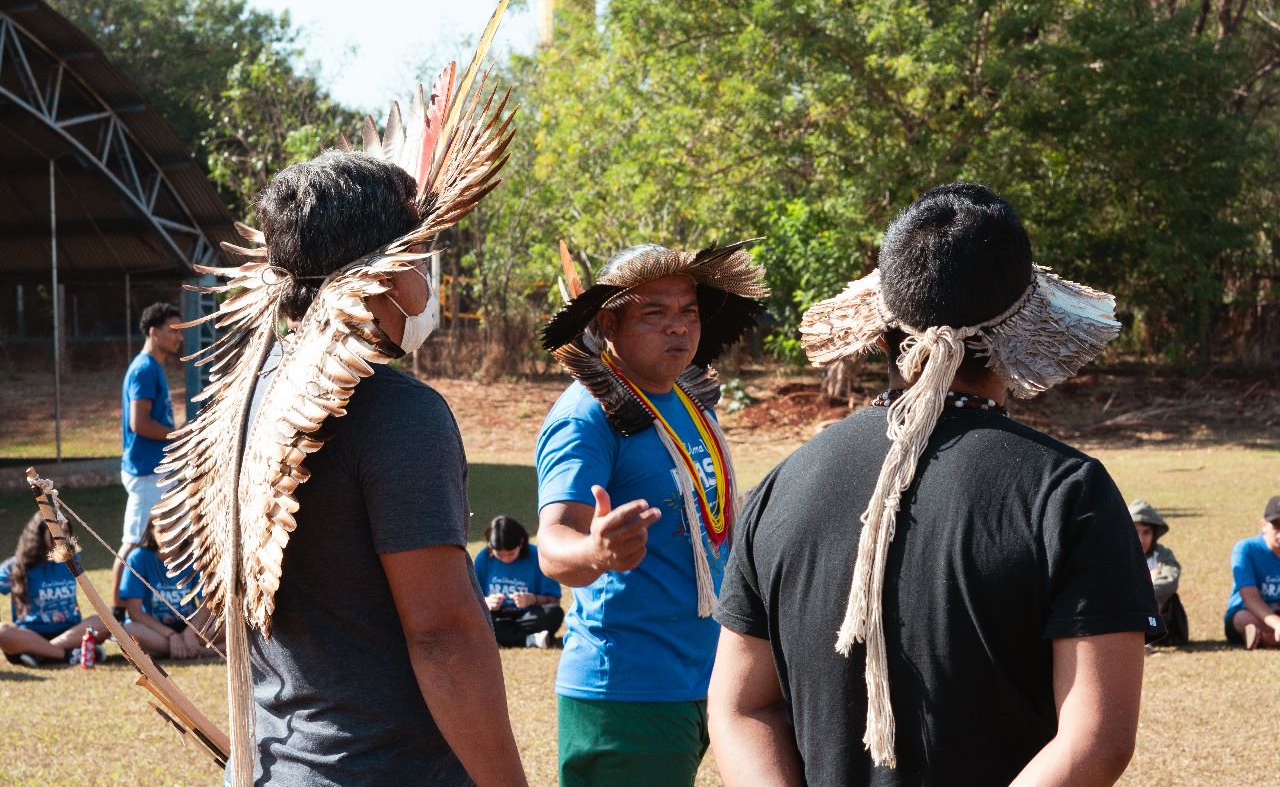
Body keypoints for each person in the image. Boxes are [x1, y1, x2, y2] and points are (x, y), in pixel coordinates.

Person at [709, 182, 1161, 786]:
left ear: (880, 329)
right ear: (1022, 328)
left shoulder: (783, 487)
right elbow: (1096, 742)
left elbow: (740, 708)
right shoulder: (1067, 493)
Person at [150, 105, 527, 785]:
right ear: (382, 272)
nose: (429, 276)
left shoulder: (242, 399)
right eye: (421, 254)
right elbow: (443, 636)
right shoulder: (398, 413)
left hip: (278, 765)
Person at [535, 241, 767, 786]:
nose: (678, 327)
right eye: (654, 313)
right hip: (627, 691)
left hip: (707, 676)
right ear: (608, 324)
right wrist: (595, 550)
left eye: (689, 312)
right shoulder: (585, 416)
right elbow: (552, 545)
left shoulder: (688, 400)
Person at [112, 300, 181, 618]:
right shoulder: (144, 368)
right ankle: (116, 616)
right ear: (154, 332)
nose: (178, 337)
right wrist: (179, 436)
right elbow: (138, 424)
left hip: (155, 470)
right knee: (134, 542)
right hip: (145, 471)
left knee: (147, 541)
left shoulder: (153, 367)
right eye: (172, 330)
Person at [0, 512, 105, 667]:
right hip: (30, 635)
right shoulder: (18, 565)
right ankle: (68, 655)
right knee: (3, 631)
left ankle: (40, 654)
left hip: (69, 633)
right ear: (38, 534)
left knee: (105, 620)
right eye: (54, 532)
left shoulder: (72, 560)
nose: (62, 537)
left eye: (66, 532)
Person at [119, 519, 221, 659]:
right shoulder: (138, 558)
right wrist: (171, 635)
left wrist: (190, 631)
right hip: (154, 629)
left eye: (173, 531)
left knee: (229, 623)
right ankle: (197, 650)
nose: (167, 537)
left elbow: (208, 603)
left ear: (183, 532)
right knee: (128, 630)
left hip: (191, 626)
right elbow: (134, 612)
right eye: (161, 531)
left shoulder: (195, 556)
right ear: (151, 532)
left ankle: (188, 650)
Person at [473, 515, 563, 648]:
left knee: (554, 613)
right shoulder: (483, 558)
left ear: (521, 542)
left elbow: (554, 601)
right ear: (491, 547)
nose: (506, 559)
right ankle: (529, 640)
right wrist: (486, 602)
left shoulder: (537, 556)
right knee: (475, 619)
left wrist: (533, 599)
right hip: (496, 617)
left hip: (528, 616)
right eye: (500, 555)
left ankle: (501, 638)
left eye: (511, 553)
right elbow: (470, 599)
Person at [1223, 495, 1280, 649]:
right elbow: (1250, 598)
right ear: (1263, 525)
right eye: (1276, 526)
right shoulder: (1246, 548)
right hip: (1251, 613)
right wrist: (1277, 623)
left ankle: (1264, 639)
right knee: (1242, 619)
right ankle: (1265, 636)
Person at [1129, 498, 1188, 646]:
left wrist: (1145, 589)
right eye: (1135, 532)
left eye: (1146, 532)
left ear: (1154, 534)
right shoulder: (1117, 556)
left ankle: (1146, 641)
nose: (1141, 539)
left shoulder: (1163, 555)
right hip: (1125, 616)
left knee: (1159, 591)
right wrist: (1147, 581)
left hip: (1162, 623)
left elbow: (1170, 581)